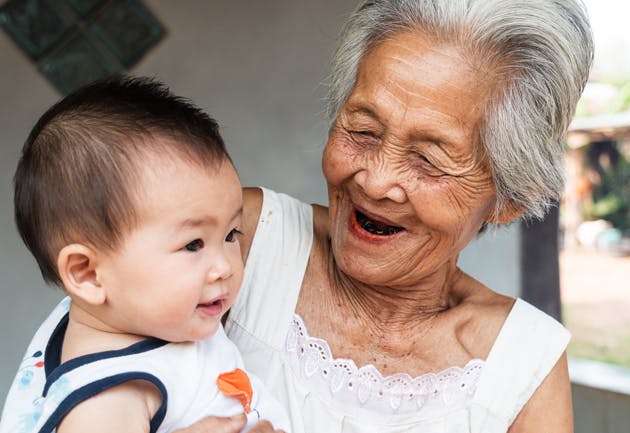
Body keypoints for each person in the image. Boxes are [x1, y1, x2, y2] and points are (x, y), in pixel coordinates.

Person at [224, 0, 594, 432]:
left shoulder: (524, 364)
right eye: (363, 131)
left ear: (508, 198)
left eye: (427, 160)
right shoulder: (240, 242)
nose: (375, 181)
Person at [0, 77, 289, 433]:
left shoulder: (138, 319)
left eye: (231, 235)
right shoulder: (108, 400)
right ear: (88, 275)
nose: (224, 267)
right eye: (193, 245)